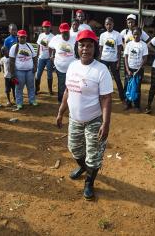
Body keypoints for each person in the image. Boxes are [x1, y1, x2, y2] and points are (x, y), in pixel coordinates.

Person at [56, 29, 113, 200]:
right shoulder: (72, 66)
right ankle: (83, 167)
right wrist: (60, 112)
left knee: (93, 155)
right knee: (74, 148)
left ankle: (89, 182)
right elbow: (67, 90)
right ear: (77, 47)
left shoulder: (101, 70)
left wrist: (106, 123)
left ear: (95, 48)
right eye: (82, 45)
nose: (85, 49)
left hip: (93, 120)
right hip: (74, 119)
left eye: (89, 46)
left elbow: (106, 99)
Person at [9, 30, 38, 111]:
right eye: (21, 37)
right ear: (18, 38)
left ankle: (32, 100)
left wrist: (35, 66)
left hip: (30, 71)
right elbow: (11, 61)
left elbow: (34, 57)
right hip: (19, 71)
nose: (22, 39)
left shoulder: (29, 46)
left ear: (26, 37)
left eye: (24, 37)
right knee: (19, 87)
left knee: (31, 86)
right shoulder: (14, 47)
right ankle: (19, 103)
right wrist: (12, 74)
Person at [49, 23, 76, 103]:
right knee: (61, 85)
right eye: (63, 33)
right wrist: (52, 56)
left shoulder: (74, 38)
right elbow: (50, 46)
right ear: (60, 32)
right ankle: (61, 100)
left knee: (72, 84)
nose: (65, 35)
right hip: (60, 67)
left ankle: (71, 100)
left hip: (72, 68)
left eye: (66, 32)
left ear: (69, 31)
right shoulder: (56, 38)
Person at [99, 17, 124, 101]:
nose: (108, 26)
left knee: (117, 79)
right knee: (102, 79)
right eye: (107, 24)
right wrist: (100, 59)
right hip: (104, 60)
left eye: (110, 24)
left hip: (114, 60)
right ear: (105, 25)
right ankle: (101, 96)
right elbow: (101, 48)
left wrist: (118, 62)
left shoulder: (117, 35)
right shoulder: (103, 35)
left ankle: (122, 97)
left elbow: (119, 49)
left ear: (113, 24)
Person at [123, 27, 148, 111]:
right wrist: (127, 70)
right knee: (128, 86)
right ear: (132, 34)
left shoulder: (143, 45)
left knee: (137, 87)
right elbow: (126, 57)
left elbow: (145, 58)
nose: (136, 36)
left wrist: (138, 70)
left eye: (138, 34)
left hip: (139, 70)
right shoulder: (129, 44)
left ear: (141, 34)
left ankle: (137, 105)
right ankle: (128, 103)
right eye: (134, 34)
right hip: (129, 69)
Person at [35, 20, 54, 95]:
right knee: (38, 73)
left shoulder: (52, 36)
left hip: (49, 58)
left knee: (49, 74)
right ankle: (37, 88)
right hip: (41, 57)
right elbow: (38, 46)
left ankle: (50, 89)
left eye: (47, 27)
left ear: (50, 27)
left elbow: (54, 48)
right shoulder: (41, 35)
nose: (46, 28)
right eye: (44, 27)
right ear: (43, 28)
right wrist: (36, 56)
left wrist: (52, 56)